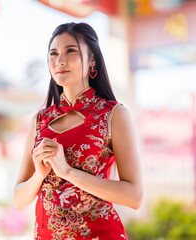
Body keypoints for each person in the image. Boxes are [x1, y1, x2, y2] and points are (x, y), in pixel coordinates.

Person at [13, 22, 143, 240]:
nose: (59, 61)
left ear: (92, 59)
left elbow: (135, 196)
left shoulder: (113, 115)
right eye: (53, 54)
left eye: (70, 51)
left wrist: (67, 172)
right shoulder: (40, 120)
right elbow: (19, 199)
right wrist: (39, 175)